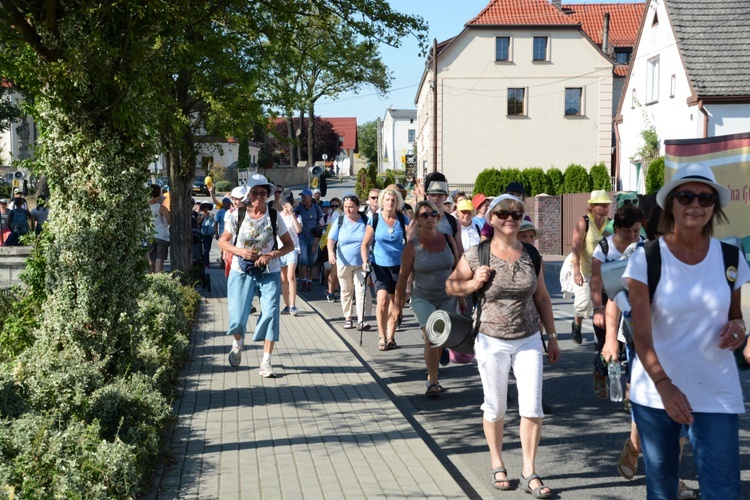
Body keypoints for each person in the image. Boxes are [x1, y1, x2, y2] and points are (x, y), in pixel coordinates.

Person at [623, 163, 749, 499]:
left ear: (714, 207)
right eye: (686, 196)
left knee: (723, 489)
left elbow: (736, 317)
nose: (696, 204)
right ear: (671, 204)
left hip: (717, 389)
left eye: (706, 198)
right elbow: (642, 336)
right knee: (662, 488)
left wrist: (739, 328)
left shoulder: (730, 256)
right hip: (657, 392)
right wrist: (665, 387)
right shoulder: (647, 258)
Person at [446, 194, 559, 496]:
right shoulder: (477, 254)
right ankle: (497, 461)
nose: (510, 218)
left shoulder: (532, 255)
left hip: (528, 339)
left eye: (516, 213)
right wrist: (472, 284)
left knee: (532, 406)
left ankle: (529, 470)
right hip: (490, 339)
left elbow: (543, 298)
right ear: (491, 218)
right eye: (503, 213)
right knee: (495, 406)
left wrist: (551, 335)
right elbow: (451, 284)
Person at [218, 173, 294, 377]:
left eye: (263, 192)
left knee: (270, 314)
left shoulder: (273, 215)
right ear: (248, 194)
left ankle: (266, 362)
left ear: (268, 193)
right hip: (241, 269)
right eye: (255, 192)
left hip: (269, 271)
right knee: (238, 317)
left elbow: (289, 245)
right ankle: (237, 342)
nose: (259, 196)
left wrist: (271, 254)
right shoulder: (238, 214)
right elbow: (223, 241)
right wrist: (240, 251)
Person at [392, 200, 458, 397]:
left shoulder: (448, 239)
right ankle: (433, 382)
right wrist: (397, 305)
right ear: (418, 220)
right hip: (423, 298)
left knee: (440, 339)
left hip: (448, 297)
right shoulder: (412, 246)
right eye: (424, 215)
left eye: (433, 214)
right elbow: (403, 277)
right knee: (432, 337)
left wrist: (462, 296)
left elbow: (455, 269)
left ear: (438, 216)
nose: (430, 218)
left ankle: (432, 373)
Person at [589, 205, 644, 398]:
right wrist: (598, 308)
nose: (632, 236)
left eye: (636, 231)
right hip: (606, 301)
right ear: (617, 229)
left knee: (631, 348)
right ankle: (600, 370)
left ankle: (630, 392)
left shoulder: (643, 247)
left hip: (632, 303)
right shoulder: (604, 247)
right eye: (627, 231)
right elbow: (595, 281)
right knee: (608, 345)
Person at [360, 187, 410, 351]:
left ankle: (391, 337)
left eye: (393, 200)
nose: (390, 203)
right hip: (379, 265)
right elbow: (365, 244)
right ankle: (382, 336)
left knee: (396, 303)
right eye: (387, 200)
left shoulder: (402, 219)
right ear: (382, 201)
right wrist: (365, 260)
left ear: (397, 203)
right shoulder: (374, 219)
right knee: (382, 299)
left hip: (398, 266)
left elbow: (410, 243)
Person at [569, 190, 612, 344]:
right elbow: (575, 247)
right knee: (583, 304)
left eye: (607, 205)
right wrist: (576, 272)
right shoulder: (584, 222)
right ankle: (577, 324)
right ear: (593, 206)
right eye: (602, 205)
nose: (606, 208)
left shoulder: (610, 223)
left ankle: (598, 339)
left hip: (603, 272)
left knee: (600, 305)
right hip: (585, 269)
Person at [327, 194, 371, 330]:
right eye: (345, 207)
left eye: (351, 207)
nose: (348, 210)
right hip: (343, 262)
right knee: (346, 290)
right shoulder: (340, 221)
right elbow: (331, 239)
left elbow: (372, 238)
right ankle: (348, 318)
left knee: (362, 290)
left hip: (361, 263)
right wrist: (330, 252)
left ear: (358, 207)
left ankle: (361, 320)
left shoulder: (365, 220)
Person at [295, 188, 324, 291]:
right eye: (302, 197)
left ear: (310, 198)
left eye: (305, 197)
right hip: (302, 238)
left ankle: (309, 280)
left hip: (313, 239)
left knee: (312, 261)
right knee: (303, 259)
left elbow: (321, 225)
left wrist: (316, 242)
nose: (303, 199)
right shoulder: (299, 208)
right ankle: (303, 279)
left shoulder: (317, 209)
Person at [278, 190, 301, 316]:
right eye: (284, 204)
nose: (286, 207)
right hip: (281, 249)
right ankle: (286, 305)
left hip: (293, 248)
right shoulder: (278, 216)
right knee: (283, 279)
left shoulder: (296, 216)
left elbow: (298, 230)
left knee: (291, 276)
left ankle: (293, 305)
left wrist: (292, 213)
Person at [147, 184, 170, 273]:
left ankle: (150, 279)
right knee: (160, 260)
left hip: (149, 234)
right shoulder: (161, 207)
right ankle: (158, 279)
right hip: (162, 235)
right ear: (159, 193)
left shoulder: (146, 207)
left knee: (151, 259)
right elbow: (169, 220)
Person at [196, 202, 215, 268]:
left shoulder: (211, 215)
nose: (206, 208)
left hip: (209, 234)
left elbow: (214, 225)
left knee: (208, 249)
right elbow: (198, 224)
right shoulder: (199, 215)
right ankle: (205, 263)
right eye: (204, 206)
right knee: (205, 250)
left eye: (207, 206)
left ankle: (206, 263)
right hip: (203, 234)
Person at [214, 197, 231, 267]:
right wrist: (216, 233)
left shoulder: (231, 211)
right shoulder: (220, 212)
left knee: (227, 248)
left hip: (230, 233)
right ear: (224, 203)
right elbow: (216, 223)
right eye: (228, 203)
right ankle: (222, 261)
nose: (229, 204)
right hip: (222, 232)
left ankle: (222, 260)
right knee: (223, 247)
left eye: (230, 203)